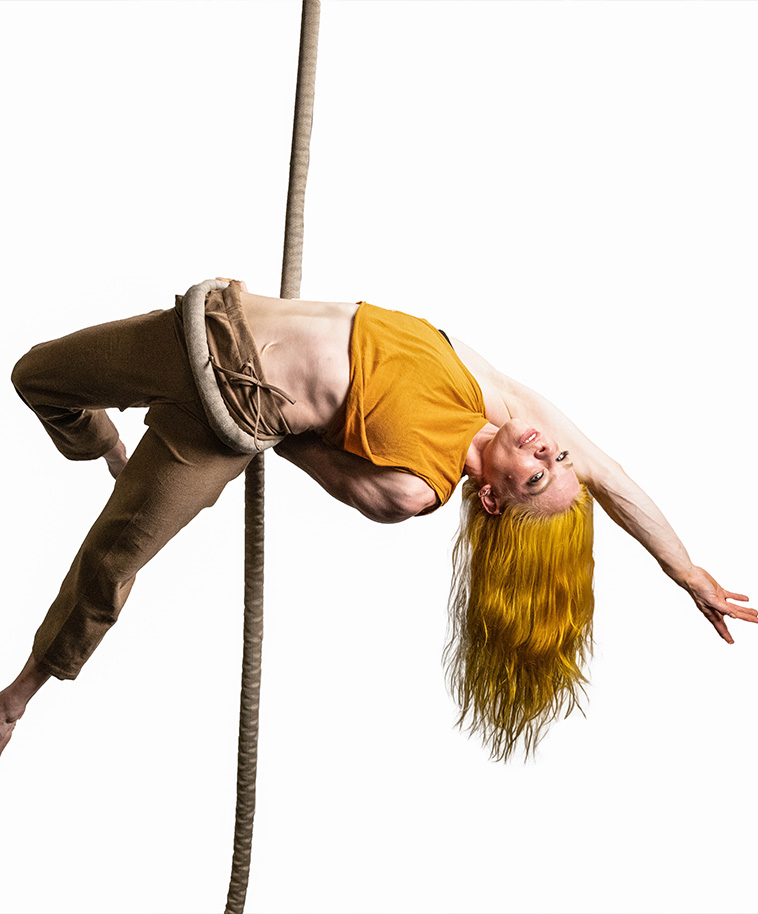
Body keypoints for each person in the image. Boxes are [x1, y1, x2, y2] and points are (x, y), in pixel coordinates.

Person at [0, 279, 754, 761]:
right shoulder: (481, 382)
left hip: (221, 423)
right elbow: (610, 473)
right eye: (555, 457)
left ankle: (19, 696)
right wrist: (685, 571)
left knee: (110, 563)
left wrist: (272, 391)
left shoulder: (412, 490)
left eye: (536, 475)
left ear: (494, 500)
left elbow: (296, 446)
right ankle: (106, 450)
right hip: (199, 325)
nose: (544, 450)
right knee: (36, 377)